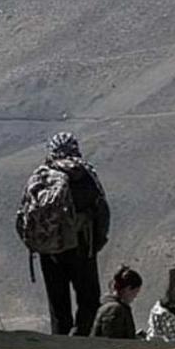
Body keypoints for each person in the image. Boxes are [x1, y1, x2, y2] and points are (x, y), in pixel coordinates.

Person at [29, 132, 110, 336]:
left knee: (58, 303)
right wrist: (97, 243)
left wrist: (37, 243)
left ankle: (61, 342)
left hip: (48, 249)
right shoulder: (84, 174)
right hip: (81, 246)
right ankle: (82, 337)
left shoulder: (41, 176)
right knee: (88, 298)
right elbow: (102, 211)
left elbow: (25, 212)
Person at [91, 264, 142, 339]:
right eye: (135, 292)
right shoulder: (115, 310)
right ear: (128, 289)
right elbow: (112, 340)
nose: (135, 296)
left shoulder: (112, 306)